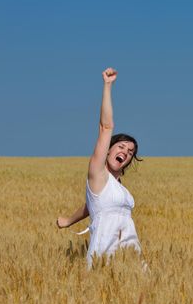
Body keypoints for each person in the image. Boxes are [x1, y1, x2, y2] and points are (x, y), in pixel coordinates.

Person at [57, 67, 143, 268]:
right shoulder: (98, 172)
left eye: (130, 152)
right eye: (121, 146)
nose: (126, 152)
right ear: (108, 150)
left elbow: (93, 204)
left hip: (131, 253)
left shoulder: (117, 186)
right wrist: (107, 86)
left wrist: (69, 220)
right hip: (104, 254)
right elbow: (106, 127)